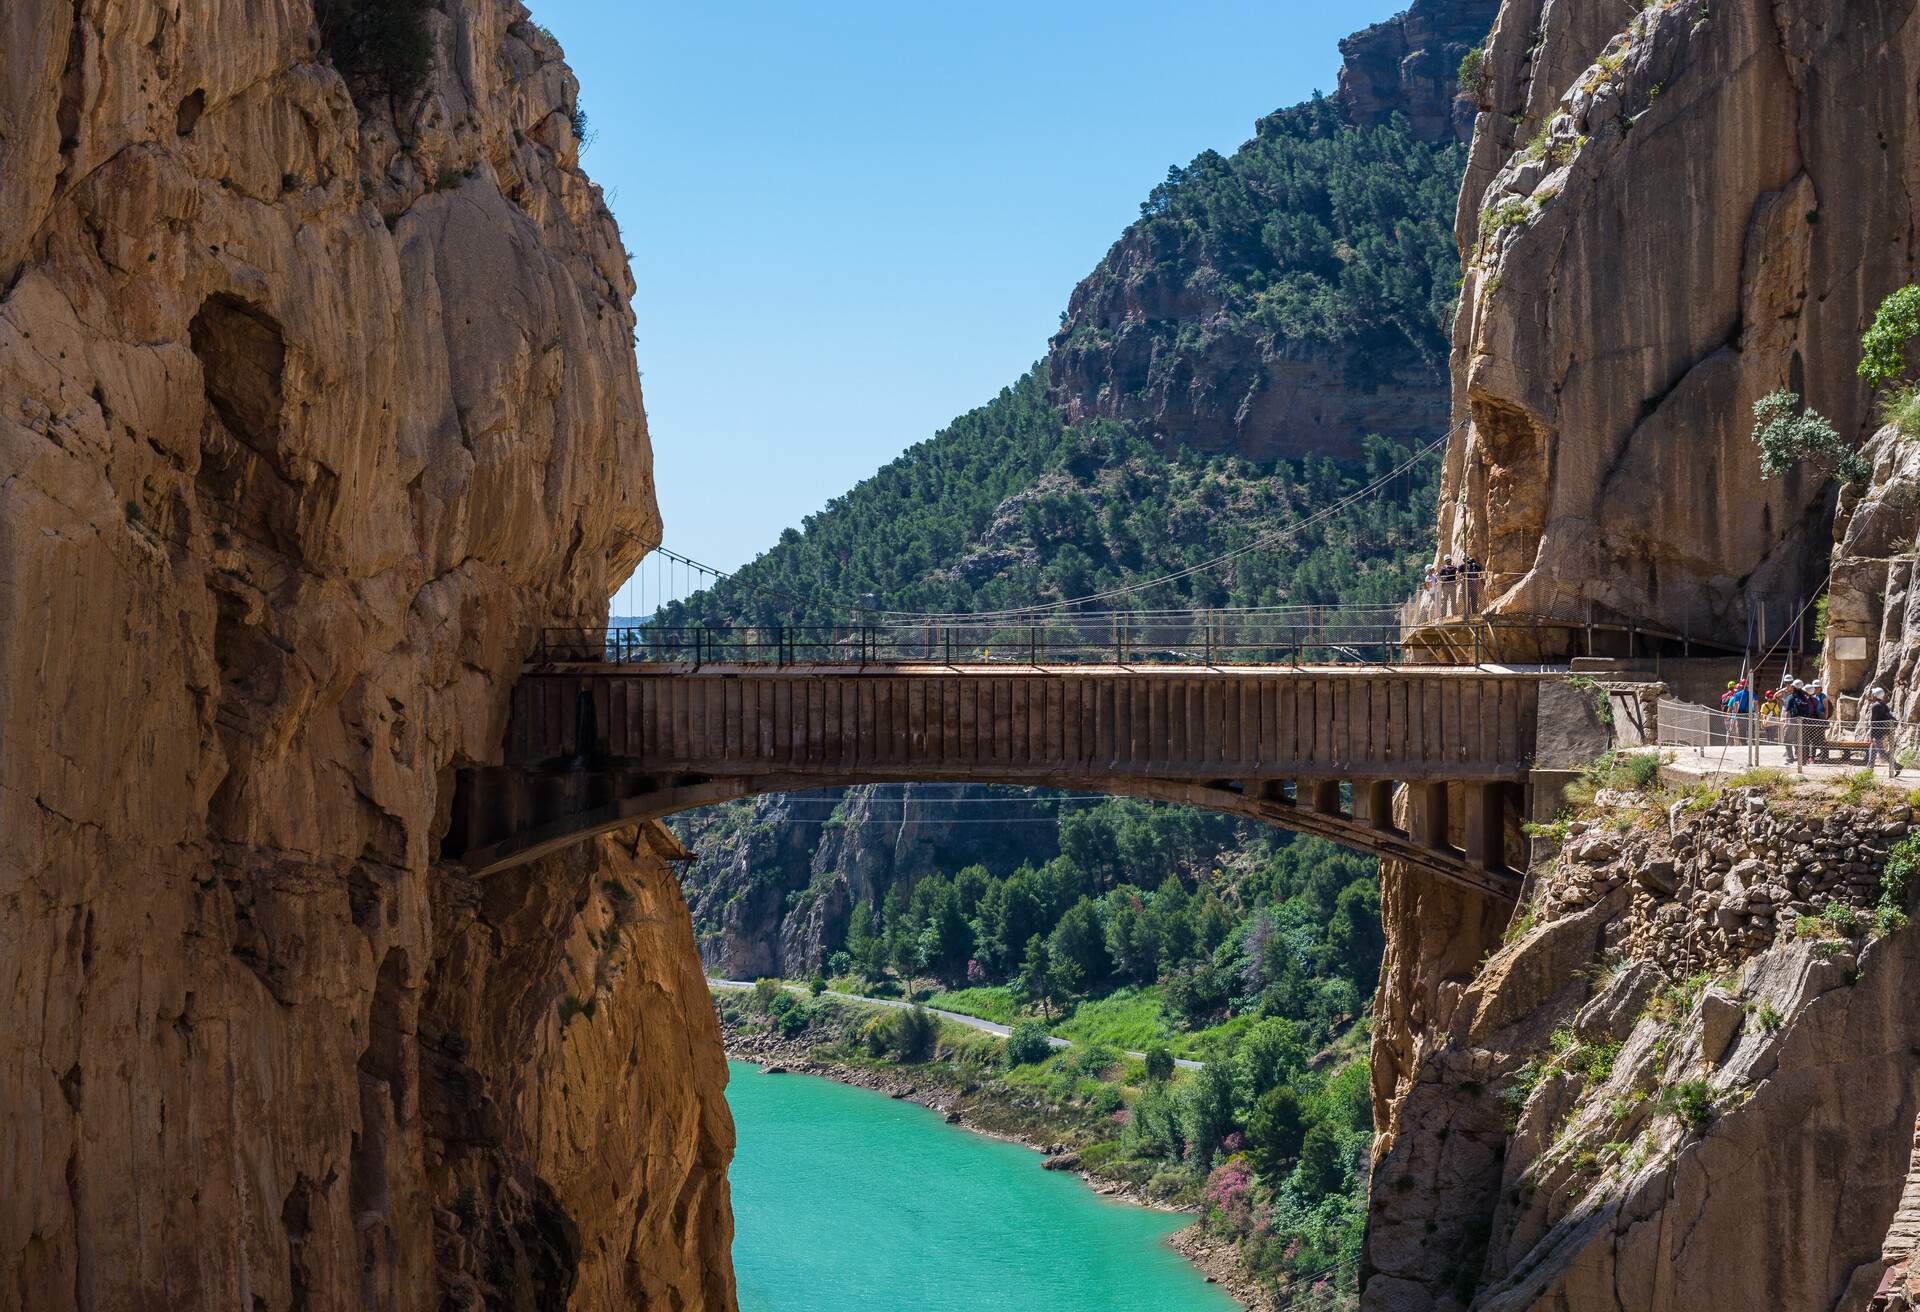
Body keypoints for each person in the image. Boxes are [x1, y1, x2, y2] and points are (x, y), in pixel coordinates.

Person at [1869, 687, 1902, 776]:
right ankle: (1869, 770)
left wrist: (1871, 735)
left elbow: (1873, 721)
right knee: (1872, 751)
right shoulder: (1883, 704)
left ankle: (1896, 766)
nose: (1871, 695)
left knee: (1881, 753)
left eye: (1873, 693)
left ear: (1875, 695)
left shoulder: (1875, 705)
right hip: (1881, 730)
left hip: (1876, 732)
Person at [1782, 679, 1810, 768]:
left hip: (1794, 721)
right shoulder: (1805, 697)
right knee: (1802, 740)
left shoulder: (1791, 697)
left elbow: (1787, 711)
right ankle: (1803, 760)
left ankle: (1790, 758)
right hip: (1804, 722)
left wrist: (1786, 723)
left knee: (1787, 740)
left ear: (1793, 687)